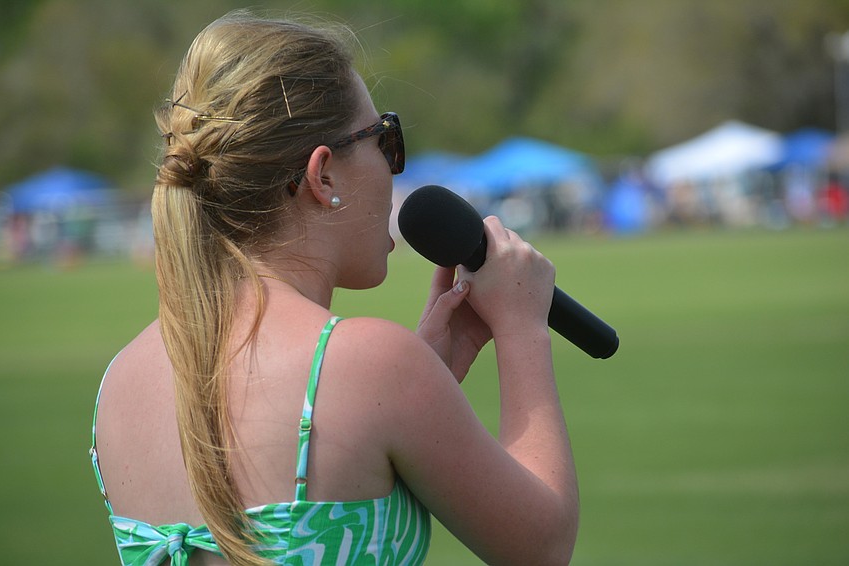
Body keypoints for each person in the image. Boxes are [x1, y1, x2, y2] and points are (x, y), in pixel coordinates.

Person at [90, 11, 579, 566]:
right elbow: (543, 546)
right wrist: (521, 328)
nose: (395, 168)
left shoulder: (120, 381)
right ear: (322, 175)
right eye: (385, 140)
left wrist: (420, 382)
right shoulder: (373, 364)